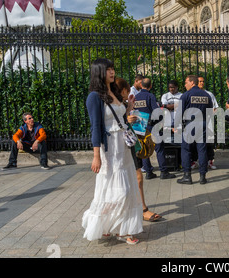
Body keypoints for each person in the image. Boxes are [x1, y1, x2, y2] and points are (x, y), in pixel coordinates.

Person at [82, 58, 142, 245]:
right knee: (118, 190)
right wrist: (95, 156)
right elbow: (96, 127)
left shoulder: (114, 91)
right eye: (108, 69)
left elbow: (119, 117)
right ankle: (113, 227)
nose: (112, 72)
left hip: (122, 147)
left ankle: (115, 228)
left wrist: (128, 107)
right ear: (99, 72)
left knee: (124, 188)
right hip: (109, 149)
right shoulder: (94, 97)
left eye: (113, 69)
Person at [116, 77, 162, 222]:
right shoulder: (110, 104)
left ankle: (142, 209)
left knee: (138, 178)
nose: (129, 93)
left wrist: (130, 110)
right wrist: (125, 120)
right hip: (117, 147)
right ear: (121, 91)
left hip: (130, 144)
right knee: (120, 182)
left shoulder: (124, 104)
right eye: (127, 91)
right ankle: (122, 211)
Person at [134, 77, 177, 180]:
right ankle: (163, 172)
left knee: (144, 148)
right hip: (151, 125)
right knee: (159, 148)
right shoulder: (150, 96)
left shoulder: (136, 96)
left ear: (141, 85)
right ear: (151, 86)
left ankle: (148, 172)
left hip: (139, 125)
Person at [177, 75, 213, 185]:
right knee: (202, 150)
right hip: (202, 124)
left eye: (186, 82)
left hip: (189, 125)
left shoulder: (186, 95)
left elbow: (179, 113)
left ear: (192, 83)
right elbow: (210, 112)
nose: (184, 84)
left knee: (186, 150)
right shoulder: (206, 95)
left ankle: (187, 176)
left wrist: (176, 126)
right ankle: (203, 176)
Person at [190, 76, 220, 170]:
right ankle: (194, 161)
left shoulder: (209, 94)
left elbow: (215, 107)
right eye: (200, 81)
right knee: (195, 142)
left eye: (203, 81)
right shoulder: (192, 94)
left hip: (208, 122)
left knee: (209, 142)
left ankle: (209, 161)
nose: (202, 83)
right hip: (195, 122)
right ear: (196, 82)